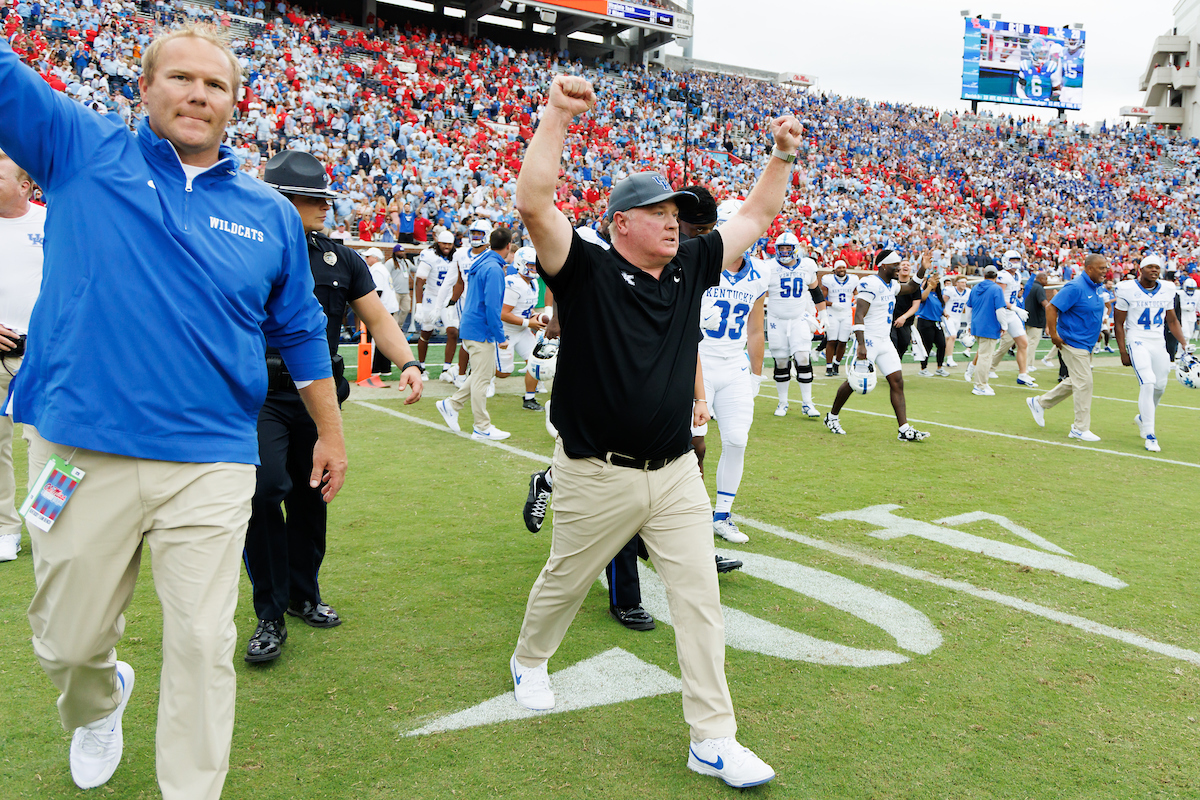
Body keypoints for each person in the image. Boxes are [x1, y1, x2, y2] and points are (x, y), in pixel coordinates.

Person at [0, 27, 345, 799]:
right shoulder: (78, 148)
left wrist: (330, 429)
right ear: (143, 88)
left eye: (215, 85)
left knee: (201, 642)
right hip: (76, 449)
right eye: (180, 79)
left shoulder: (270, 213)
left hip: (213, 457)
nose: (197, 94)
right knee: (66, 640)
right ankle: (99, 701)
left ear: (234, 104)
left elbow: (298, 328)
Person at [509, 74, 795, 789]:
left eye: (679, 212)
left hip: (673, 474)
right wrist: (555, 115)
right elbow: (534, 201)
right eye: (658, 210)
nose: (675, 221)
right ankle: (530, 659)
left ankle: (713, 738)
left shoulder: (690, 267)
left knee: (699, 601)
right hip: (595, 470)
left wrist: (782, 155)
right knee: (566, 580)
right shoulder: (586, 269)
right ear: (621, 223)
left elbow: (756, 214)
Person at [243, 151, 423, 665]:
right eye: (311, 197)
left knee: (311, 495)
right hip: (260, 394)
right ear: (277, 199)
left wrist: (408, 360)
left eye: (326, 196)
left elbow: (379, 319)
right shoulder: (242, 252)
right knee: (262, 491)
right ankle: (269, 613)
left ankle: (303, 595)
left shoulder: (340, 259)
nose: (324, 205)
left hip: (317, 397)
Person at [698, 234, 767, 544]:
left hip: (734, 365)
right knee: (693, 444)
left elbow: (755, 330)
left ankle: (722, 514)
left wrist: (755, 374)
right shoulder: (701, 265)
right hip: (699, 361)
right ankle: (688, 516)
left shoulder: (758, 275)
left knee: (737, 440)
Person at [823, 249, 930, 441]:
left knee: (897, 381)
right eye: (895, 265)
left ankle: (903, 429)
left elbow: (912, 287)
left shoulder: (891, 285)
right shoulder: (871, 283)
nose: (898, 268)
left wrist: (922, 268)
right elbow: (859, 314)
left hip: (884, 340)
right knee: (854, 382)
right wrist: (861, 344)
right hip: (869, 340)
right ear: (883, 266)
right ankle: (832, 417)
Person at [0, 147, 43, 563]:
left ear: (25, 185)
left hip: (40, 356)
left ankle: (43, 523)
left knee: (45, 442)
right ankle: (4, 529)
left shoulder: (50, 222)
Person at [435, 227, 513, 441]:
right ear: (508, 246)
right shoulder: (494, 269)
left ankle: (452, 404)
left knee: (481, 374)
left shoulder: (483, 263)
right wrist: (501, 337)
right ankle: (482, 426)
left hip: (472, 325)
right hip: (480, 329)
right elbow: (492, 307)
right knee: (482, 379)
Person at [1025, 254, 1109, 441]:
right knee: (1085, 383)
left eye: (1106, 267)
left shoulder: (1096, 287)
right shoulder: (1076, 287)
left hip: (1086, 343)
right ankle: (1079, 428)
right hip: (1072, 342)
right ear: (1089, 269)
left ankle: (1039, 403)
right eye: (1101, 268)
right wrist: (1054, 335)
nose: (1105, 271)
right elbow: (1051, 308)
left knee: (1077, 380)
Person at [1112, 255, 1190, 452]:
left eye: (1157, 267)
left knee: (1160, 386)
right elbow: (1119, 323)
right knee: (1147, 381)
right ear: (1141, 269)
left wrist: (1183, 343)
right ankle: (1150, 434)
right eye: (1150, 267)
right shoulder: (1127, 289)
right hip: (1137, 339)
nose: (1154, 270)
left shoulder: (1167, 289)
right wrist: (1122, 351)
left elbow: (1172, 321)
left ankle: (1142, 417)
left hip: (1158, 341)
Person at [764, 230, 824, 418]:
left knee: (803, 357)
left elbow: (816, 291)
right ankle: (783, 402)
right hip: (776, 320)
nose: (783, 252)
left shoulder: (806, 266)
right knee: (781, 360)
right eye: (780, 249)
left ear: (795, 249)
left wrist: (823, 313)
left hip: (798, 319)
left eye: (787, 248)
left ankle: (807, 403)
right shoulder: (769, 267)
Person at [496, 245, 547, 411]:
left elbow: (526, 309)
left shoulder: (533, 284)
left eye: (535, 266)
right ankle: (477, 368)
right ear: (520, 264)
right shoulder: (513, 283)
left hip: (522, 330)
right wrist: (529, 323)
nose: (534, 269)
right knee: (504, 372)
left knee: (535, 362)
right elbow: (503, 313)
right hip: (506, 331)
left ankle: (529, 398)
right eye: (530, 265)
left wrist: (536, 318)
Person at [412, 229, 458, 379]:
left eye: (450, 244)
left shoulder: (456, 256)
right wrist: (419, 306)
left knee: (453, 332)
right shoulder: (429, 255)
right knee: (426, 331)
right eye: (444, 244)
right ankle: (421, 367)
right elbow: (420, 282)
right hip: (431, 297)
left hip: (447, 299)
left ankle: (446, 370)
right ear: (438, 243)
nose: (447, 247)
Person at [991, 250, 1037, 387]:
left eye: (1018, 260)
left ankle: (1023, 375)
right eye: (1013, 260)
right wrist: (1016, 308)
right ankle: (974, 367)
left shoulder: (1017, 275)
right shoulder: (1002, 276)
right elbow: (998, 298)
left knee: (1023, 343)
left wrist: (1015, 308)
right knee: (989, 344)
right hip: (1000, 312)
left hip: (1011, 313)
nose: (1016, 263)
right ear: (1006, 260)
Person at [964, 266, 1006, 396]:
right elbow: (1000, 310)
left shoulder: (975, 287)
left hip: (977, 325)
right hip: (989, 326)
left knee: (984, 354)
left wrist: (969, 324)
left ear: (984, 274)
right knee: (985, 357)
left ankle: (983, 383)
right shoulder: (996, 289)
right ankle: (980, 385)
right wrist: (1004, 325)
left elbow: (969, 308)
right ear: (996, 275)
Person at [821, 258, 859, 376]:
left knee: (843, 341)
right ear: (834, 270)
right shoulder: (828, 280)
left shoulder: (853, 279)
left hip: (846, 313)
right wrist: (832, 304)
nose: (842, 270)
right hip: (833, 313)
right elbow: (821, 299)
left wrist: (859, 299)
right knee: (831, 340)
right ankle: (828, 367)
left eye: (843, 267)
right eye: (839, 268)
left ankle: (836, 365)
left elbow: (856, 293)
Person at [915, 271, 948, 376]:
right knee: (927, 346)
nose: (933, 283)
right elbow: (922, 298)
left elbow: (939, 307)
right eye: (930, 281)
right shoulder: (923, 292)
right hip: (925, 321)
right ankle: (923, 368)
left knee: (942, 345)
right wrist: (929, 285)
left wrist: (944, 312)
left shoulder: (938, 295)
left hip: (936, 322)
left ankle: (939, 367)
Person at [943, 275, 971, 367]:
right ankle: (950, 359)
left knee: (948, 338)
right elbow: (942, 303)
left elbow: (969, 307)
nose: (964, 284)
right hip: (948, 316)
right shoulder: (950, 290)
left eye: (965, 282)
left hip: (957, 317)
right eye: (962, 282)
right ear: (957, 283)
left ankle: (942, 359)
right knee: (953, 336)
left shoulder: (968, 292)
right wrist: (944, 312)